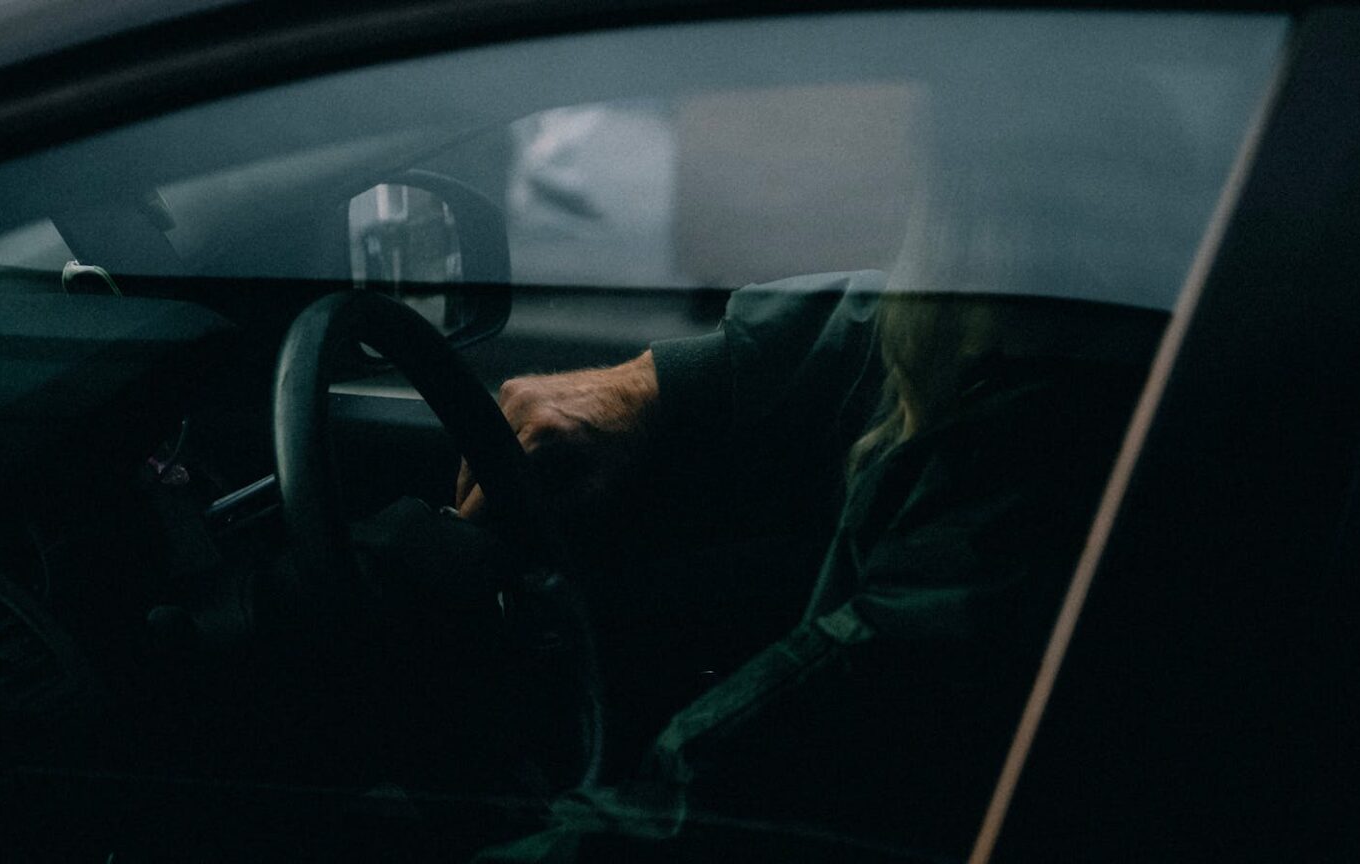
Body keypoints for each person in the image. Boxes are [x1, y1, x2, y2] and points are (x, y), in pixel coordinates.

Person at [453, 66, 1203, 862]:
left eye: (930, 177)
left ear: (1001, 217)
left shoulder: (1017, 523)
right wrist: (661, 387)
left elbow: (695, 814)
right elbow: (899, 322)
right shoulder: (1065, 354)